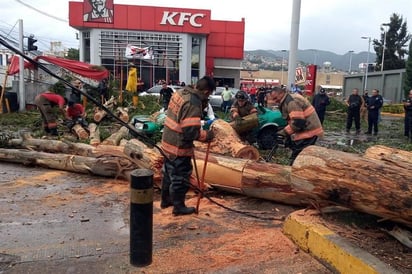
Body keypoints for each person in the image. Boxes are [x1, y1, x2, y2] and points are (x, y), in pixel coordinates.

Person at [160, 76, 215, 216]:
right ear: (207, 91)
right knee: (180, 178)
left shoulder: (181, 93)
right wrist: (206, 136)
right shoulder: (193, 103)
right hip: (178, 146)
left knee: (168, 173)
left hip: (167, 142)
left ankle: (166, 200)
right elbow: (190, 132)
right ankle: (179, 207)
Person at [272, 88, 323, 165]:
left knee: (298, 160)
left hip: (309, 133)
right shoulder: (287, 100)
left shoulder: (291, 102)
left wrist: (283, 132)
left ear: (281, 93)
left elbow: (298, 123)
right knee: (298, 157)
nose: (275, 101)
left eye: (276, 98)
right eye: (273, 99)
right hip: (306, 131)